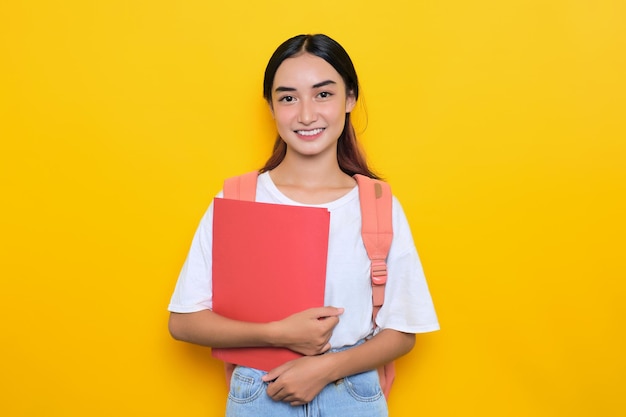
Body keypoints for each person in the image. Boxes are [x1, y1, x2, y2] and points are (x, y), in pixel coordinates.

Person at [168, 33, 439, 416]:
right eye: (288, 97)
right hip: (260, 391)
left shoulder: (377, 205)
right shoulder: (237, 199)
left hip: (353, 394)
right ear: (271, 107)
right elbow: (184, 322)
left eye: (323, 94)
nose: (307, 115)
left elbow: (404, 330)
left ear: (349, 99)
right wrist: (275, 333)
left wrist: (325, 369)